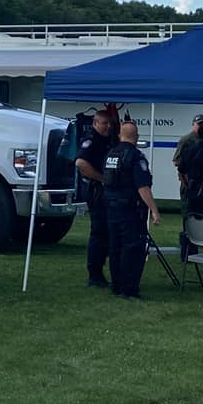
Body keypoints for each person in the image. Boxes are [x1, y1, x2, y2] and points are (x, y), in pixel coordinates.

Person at [101, 118, 160, 300]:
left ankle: (116, 285)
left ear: (120, 135)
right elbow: (142, 187)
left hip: (111, 208)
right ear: (136, 136)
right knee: (132, 249)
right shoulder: (136, 157)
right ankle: (129, 289)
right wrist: (154, 211)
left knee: (115, 247)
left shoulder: (111, 154)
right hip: (130, 210)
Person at [74, 107, 118, 288]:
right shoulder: (91, 141)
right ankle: (94, 274)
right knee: (99, 232)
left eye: (109, 123)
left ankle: (101, 272)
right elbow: (81, 163)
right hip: (96, 191)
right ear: (95, 123)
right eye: (104, 123)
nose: (107, 127)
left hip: (107, 192)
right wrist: (102, 180)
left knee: (107, 232)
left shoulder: (110, 140)